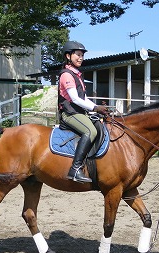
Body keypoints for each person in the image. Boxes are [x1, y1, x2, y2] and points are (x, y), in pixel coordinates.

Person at [58, 41, 109, 183]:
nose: (80, 58)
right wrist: (94, 108)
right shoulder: (67, 75)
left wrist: (96, 108)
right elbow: (74, 98)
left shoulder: (77, 75)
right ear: (68, 56)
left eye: (82, 55)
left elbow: (83, 98)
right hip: (69, 113)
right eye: (78, 55)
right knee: (90, 131)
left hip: (79, 113)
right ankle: (75, 169)